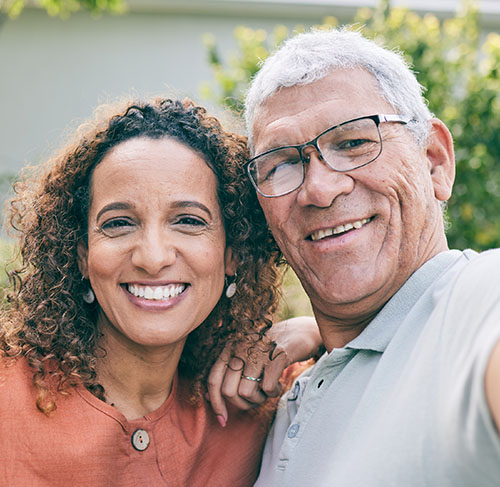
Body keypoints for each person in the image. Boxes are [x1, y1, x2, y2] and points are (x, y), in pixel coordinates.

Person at [0, 97, 320, 486]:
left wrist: (314, 331)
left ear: (232, 254)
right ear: (82, 255)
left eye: (188, 221)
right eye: (118, 223)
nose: (152, 257)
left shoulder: (255, 399)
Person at [233, 28, 500, 486]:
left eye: (353, 142)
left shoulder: (479, 303)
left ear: (435, 162)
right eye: (281, 163)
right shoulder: (284, 397)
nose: (318, 189)